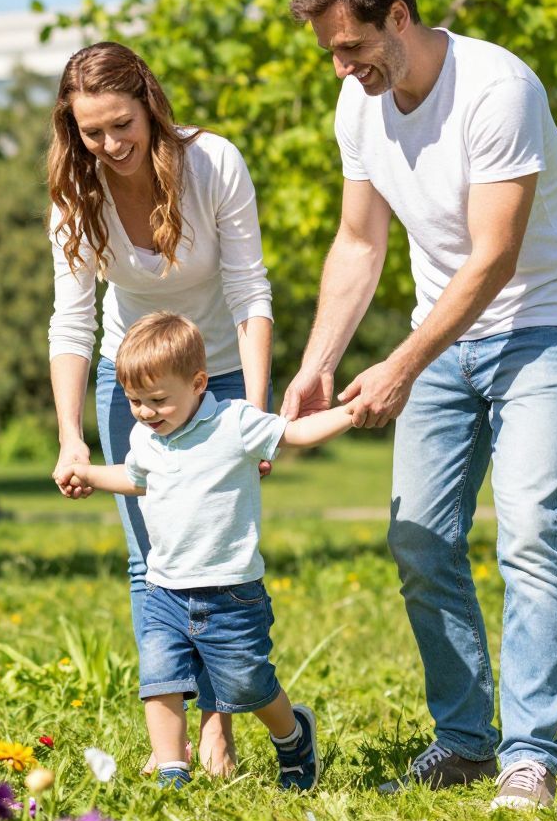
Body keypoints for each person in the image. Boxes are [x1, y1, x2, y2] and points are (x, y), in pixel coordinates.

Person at [284, 0, 557, 810]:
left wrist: (398, 365)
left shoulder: (499, 90)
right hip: (442, 336)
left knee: (530, 533)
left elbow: (495, 259)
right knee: (419, 539)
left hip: (538, 322)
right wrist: (318, 366)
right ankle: (464, 742)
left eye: (352, 48)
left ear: (399, 15)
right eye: (330, 56)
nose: (343, 70)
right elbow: (359, 242)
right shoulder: (359, 107)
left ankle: (529, 754)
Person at [46, 41, 274, 776]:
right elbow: (72, 319)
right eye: (91, 132)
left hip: (223, 376)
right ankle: (169, 748)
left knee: (214, 555)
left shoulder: (213, 164)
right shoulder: (75, 193)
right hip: (132, 379)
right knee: (152, 563)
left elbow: (250, 293)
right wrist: (70, 439)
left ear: (148, 102)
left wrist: (258, 417)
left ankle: (220, 725)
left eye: (121, 125)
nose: (110, 145)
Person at [66, 313, 353, 789]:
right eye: (135, 401)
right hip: (164, 591)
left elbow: (295, 434)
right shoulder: (146, 437)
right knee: (159, 680)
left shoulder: (235, 423)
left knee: (247, 685)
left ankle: (293, 735)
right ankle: (172, 771)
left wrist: (349, 413)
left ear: (199, 383)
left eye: (158, 400)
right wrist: (93, 475)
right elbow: (136, 479)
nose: (144, 412)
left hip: (231, 593)